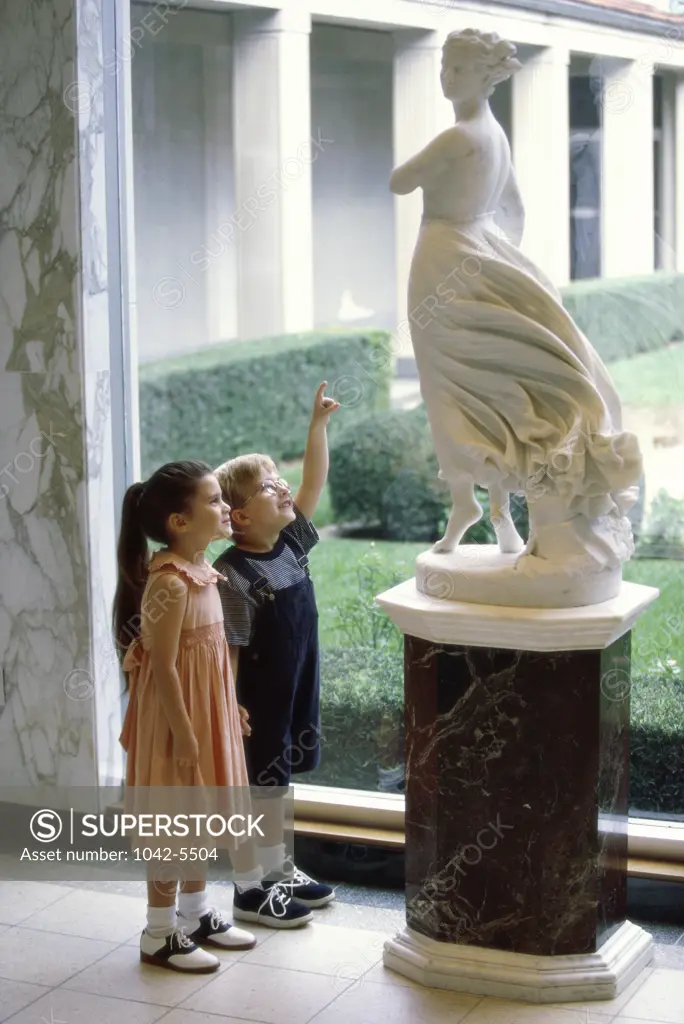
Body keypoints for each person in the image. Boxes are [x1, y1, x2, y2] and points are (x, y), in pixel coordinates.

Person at [389, 28, 641, 578]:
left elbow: (398, 180)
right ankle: (493, 514)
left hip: (442, 255)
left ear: (484, 76)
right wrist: (498, 264)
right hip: (478, 251)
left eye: (456, 69)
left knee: (453, 389)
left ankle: (474, 506)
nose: (445, 78)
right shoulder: (496, 135)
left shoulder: (459, 137)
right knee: (484, 388)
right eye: (444, 67)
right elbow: (516, 210)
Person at [114, 461, 311, 975]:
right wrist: (184, 735)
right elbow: (161, 667)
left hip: (207, 715)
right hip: (177, 724)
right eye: (214, 501)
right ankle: (159, 931)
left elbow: (213, 653)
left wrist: (231, 703)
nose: (225, 508)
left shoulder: (208, 574)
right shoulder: (170, 584)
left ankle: (196, 914)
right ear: (180, 522)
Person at [213, 383, 340, 922]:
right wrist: (230, 705)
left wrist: (317, 427)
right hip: (257, 702)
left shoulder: (290, 544)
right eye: (268, 488)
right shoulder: (234, 575)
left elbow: (313, 480)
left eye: (278, 480)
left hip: (294, 687)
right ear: (240, 517)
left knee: (279, 781)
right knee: (262, 784)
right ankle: (254, 888)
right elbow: (230, 648)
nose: (284, 489)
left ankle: (278, 867)